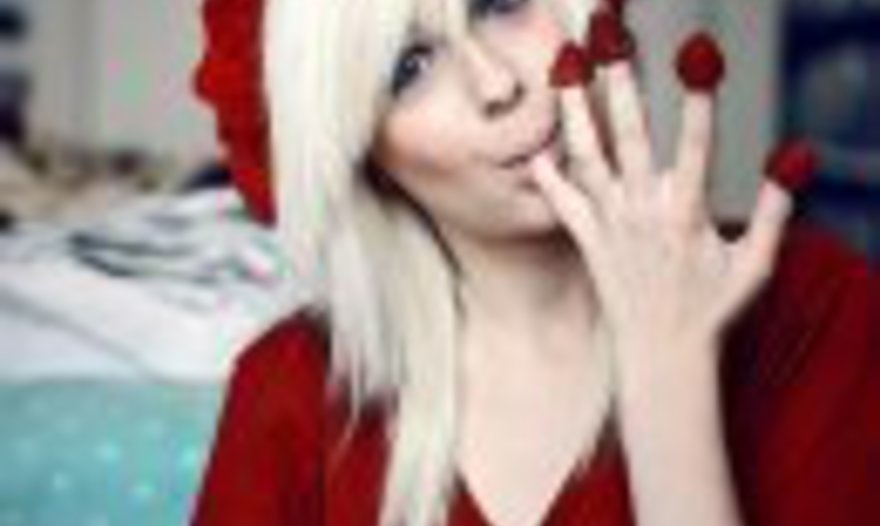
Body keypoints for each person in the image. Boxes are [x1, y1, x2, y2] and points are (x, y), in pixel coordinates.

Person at [190, 0, 880, 524]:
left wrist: (667, 367)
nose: (495, 85)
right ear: (364, 154)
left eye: (500, 2)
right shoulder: (286, 393)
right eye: (409, 68)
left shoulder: (816, 304)